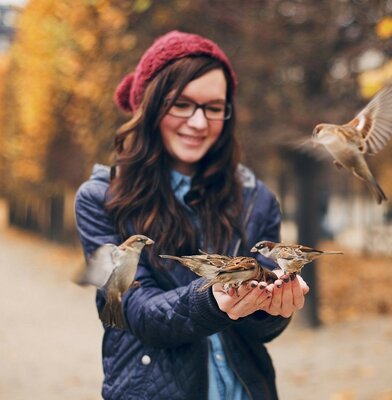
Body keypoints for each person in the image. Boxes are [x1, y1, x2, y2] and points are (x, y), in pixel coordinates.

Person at [74, 30, 309, 399]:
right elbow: (141, 313)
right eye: (181, 104)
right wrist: (212, 298)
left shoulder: (256, 199)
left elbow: (258, 332)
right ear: (151, 106)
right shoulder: (100, 199)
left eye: (213, 107)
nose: (199, 123)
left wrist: (271, 306)